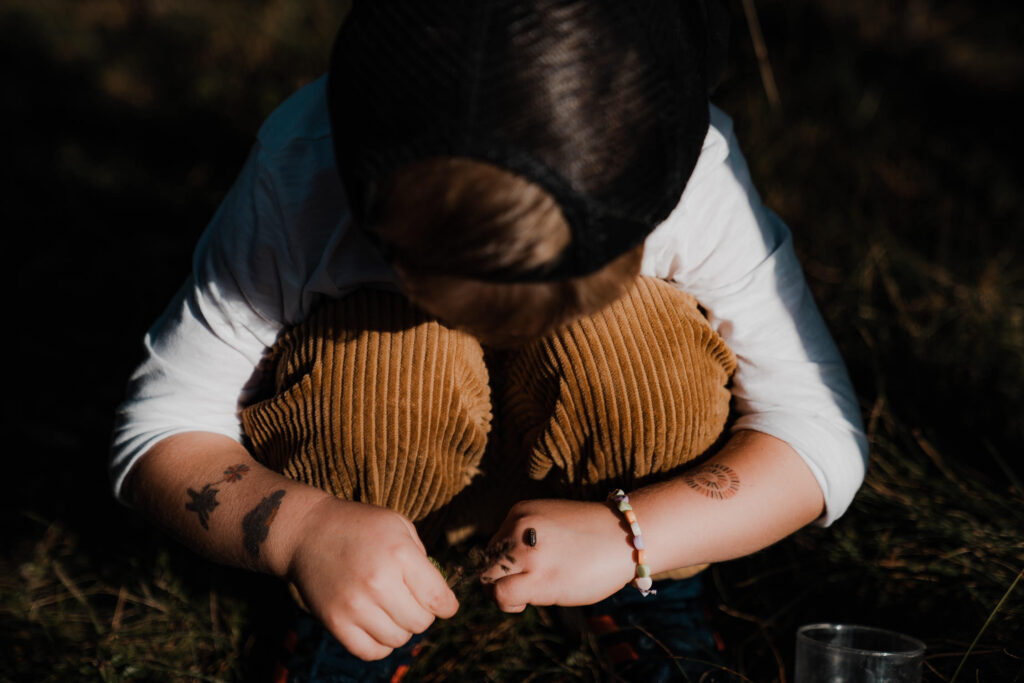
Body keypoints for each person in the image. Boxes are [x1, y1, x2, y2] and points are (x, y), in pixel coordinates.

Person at [111, 1, 867, 680]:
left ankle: (650, 588)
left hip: (610, 494)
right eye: (429, 285)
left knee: (637, 343)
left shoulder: (697, 179)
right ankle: (359, 597)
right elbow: (161, 426)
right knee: (388, 353)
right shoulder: (303, 175)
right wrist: (304, 529)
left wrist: (634, 538)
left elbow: (819, 431)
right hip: (384, 478)